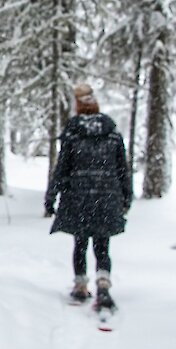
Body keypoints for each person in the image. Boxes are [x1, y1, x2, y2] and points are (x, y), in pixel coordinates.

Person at [45, 83, 132, 309]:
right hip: (107, 196)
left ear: (78, 107)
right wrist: (126, 196)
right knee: (103, 245)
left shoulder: (73, 134)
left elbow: (62, 168)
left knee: (80, 243)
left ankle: (80, 286)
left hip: (79, 197)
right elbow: (122, 168)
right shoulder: (111, 133)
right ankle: (103, 283)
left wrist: (51, 196)